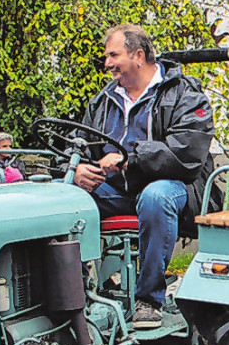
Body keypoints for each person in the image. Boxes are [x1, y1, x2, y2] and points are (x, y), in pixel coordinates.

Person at [70, 24, 215, 329]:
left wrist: (129, 158)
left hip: (178, 188)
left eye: (113, 55)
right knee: (62, 197)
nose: (107, 63)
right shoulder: (102, 101)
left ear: (138, 55)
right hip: (117, 190)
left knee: (155, 197)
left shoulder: (185, 94)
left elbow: (187, 154)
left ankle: (149, 300)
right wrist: (77, 170)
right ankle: (74, 293)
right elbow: (80, 144)